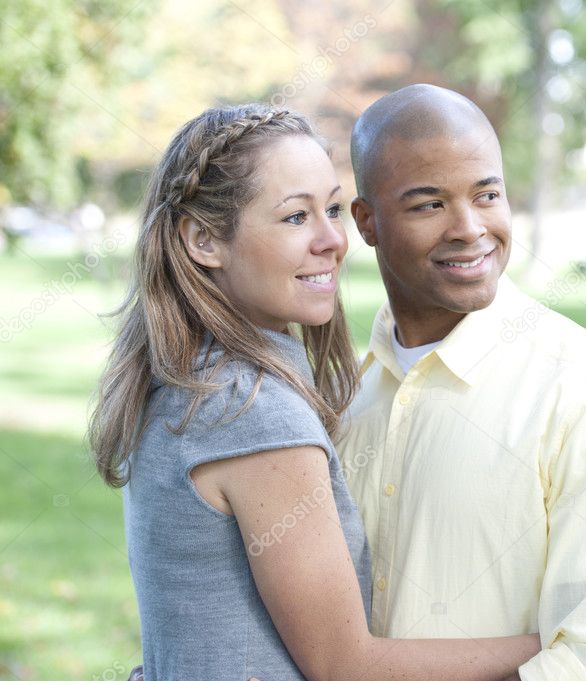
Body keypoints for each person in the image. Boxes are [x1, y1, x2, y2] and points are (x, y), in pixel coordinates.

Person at [90, 103, 539, 681]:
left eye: (331, 209)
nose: (334, 240)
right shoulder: (249, 409)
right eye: (295, 218)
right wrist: (555, 645)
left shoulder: (187, 375)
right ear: (203, 239)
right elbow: (348, 666)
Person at [344, 84, 586, 680]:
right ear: (367, 222)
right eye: (428, 204)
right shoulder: (344, 397)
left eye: (487, 194)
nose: (469, 228)